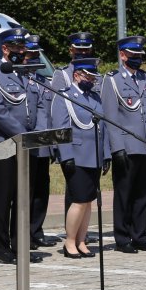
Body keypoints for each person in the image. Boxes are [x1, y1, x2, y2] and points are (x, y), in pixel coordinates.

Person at [0, 27, 42, 264]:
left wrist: (37, 134)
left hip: (30, 144)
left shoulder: (29, 74)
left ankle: (21, 245)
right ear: (5, 49)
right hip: (4, 144)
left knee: (24, 197)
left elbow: (40, 106)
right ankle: (3, 247)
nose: (20, 51)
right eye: (15, 47)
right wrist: (23, 135)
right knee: (3, 198)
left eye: (22, 48)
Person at [103, 36, 146, 253]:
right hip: (127, 147)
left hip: (145, 145)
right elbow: (110, 116)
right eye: (133, 55)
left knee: (143, 194)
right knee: (124, 193)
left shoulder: (145, 78)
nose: (137, 59)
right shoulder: (112, 80)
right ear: (122, 55)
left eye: (139, 56)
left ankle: (140, 235)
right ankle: (122, 237)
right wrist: (117, 147)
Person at [50, 59, 108, 258]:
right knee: (79, 200)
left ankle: (82, 240)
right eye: (88, 76)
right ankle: (70, 242)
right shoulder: (65, 97)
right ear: (77, 75)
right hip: (76, 155)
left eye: (93, 77)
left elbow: (103, 127)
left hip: (94, 155)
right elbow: (61, 128)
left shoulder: (95, 97)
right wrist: (65, 156)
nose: (91, 80)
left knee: (89, 201)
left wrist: (106, 154)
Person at [23, 34, 55, 249]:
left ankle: (36, 229)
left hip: (45, 143)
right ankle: (23, 232)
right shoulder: (20, 80)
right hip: (28, 143)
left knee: (42, 189)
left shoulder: (44, 81)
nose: (34, 58)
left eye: (36, 54)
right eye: (30, 54)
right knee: (27, 190)